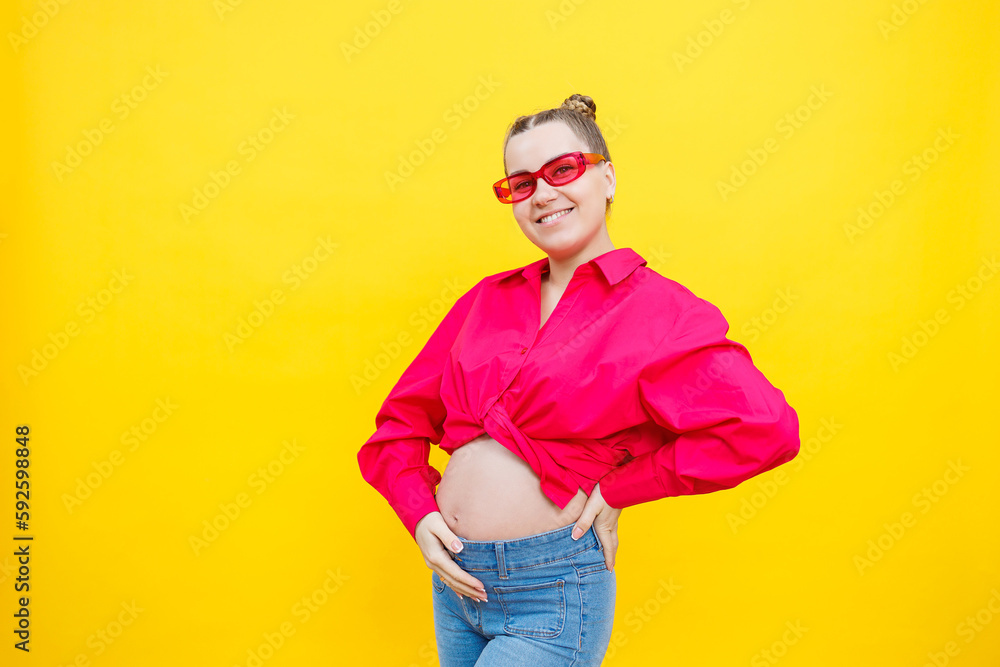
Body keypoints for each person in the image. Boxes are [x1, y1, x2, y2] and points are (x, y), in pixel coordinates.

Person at [357, 93, 800, 666]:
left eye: (562, 170)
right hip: (456, 587)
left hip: (553, 592)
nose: (542, 194)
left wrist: (623, 488)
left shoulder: (661, 311)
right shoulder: (486, 300)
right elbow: (398, 426)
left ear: (608, 177)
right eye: (520, 183)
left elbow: (764, 430)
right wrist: (420, 513)